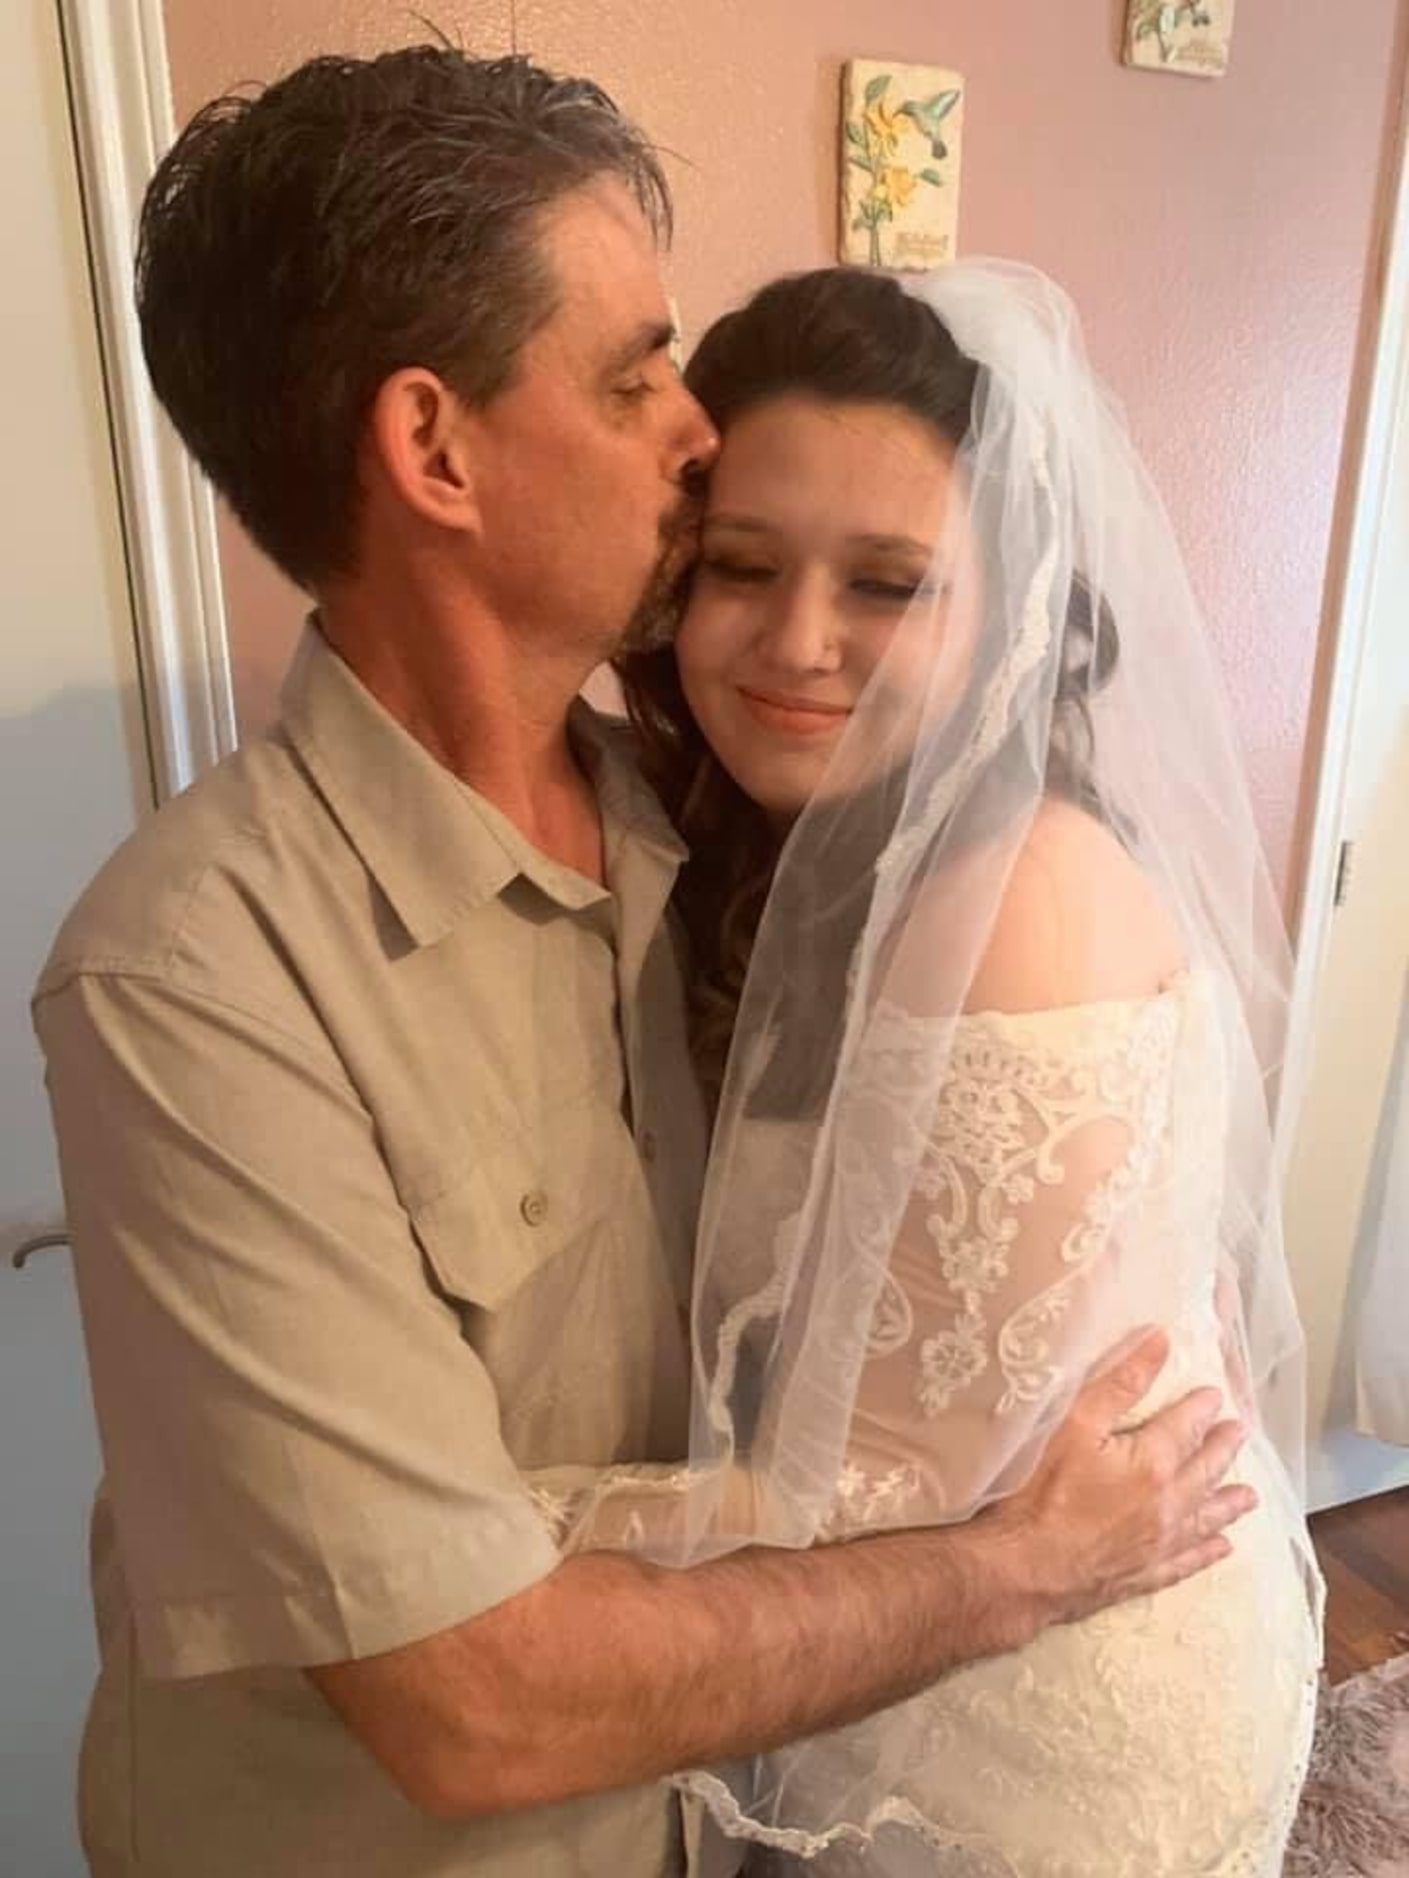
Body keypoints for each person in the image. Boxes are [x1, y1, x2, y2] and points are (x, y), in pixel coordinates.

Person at [34, 48, 1257, 1878]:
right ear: (432, 448)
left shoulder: (700, 823)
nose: (696, 428)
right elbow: (470, 1696)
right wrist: (1021, 1557)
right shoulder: (199, 977)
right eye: (633, 376)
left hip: (781, 1789)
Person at [532, 264, 1324, 1873]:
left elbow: (896, 1485)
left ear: (1008, 610)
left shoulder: (1011, 899)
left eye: (889, 584)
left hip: (1035, 1715)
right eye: (741, 565)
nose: (800, 641)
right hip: (936, 1634)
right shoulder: (801, 850)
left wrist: (457, 1514)